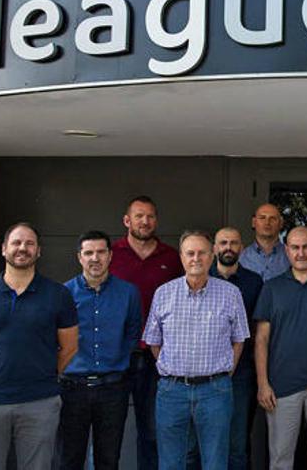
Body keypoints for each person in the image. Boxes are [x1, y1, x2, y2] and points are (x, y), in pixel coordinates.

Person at [0, 222, 79, 469]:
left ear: (38, 251)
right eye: (16, 242)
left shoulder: (58, 295)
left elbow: (69, 347)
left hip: (40, 402)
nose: (22, 248)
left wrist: (44, 375)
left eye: (29, 243)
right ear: (4, 249)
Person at [142, 230, 249, 470]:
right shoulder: (163, 293)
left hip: (215, 390)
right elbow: (153, 340)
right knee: (171, 463)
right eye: (190, 253)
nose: (196, 259)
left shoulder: (230, 294)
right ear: (181, 257)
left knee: (215, 462)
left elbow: (239, 340)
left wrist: (224, 373)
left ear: (212, 256)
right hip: (172, 391)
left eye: (202, 253)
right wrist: (169, 368)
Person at [253, 226, 307, 470]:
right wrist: (263, 383)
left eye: (306, 247)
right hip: (281, 386)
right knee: (281, 459)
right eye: (295, 247)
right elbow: (261, 339)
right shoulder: (272, 287)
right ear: (286, 250)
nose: (301, 253)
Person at [109, 195, 183, 470]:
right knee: (107, 431)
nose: (145, 221)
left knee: (152, 432)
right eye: (139, 215)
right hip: (117, 355)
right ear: (127, 220)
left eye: (150, 216)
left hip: (156, 355)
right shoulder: (111, 254)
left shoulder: (172, 258)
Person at [60, 230, 142, 470]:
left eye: (100, 252)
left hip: (113, 389)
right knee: (69, 459)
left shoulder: (129, 293)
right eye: (88, 253)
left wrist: (118, 361)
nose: (95, 258)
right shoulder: (63, 294)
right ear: (79, 257)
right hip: (72, 388)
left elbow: (133, 333)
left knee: (108, 459)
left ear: (110, 255)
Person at [187, 227, 263, 469]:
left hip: (241, 374)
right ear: (214, 249)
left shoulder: (254, 281)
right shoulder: (199, 279)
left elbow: (256, 328)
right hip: (203, 375)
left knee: (237, 443)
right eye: (223, 243)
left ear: (242, 247)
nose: (228, 247)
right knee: (197, 443)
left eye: (233, 243)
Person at [239, 203, 289, 281]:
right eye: (262, 218)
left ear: (281, 223)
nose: (267, 222)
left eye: (272, 218)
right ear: (253, 222)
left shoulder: (291, 256)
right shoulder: (241, 257)